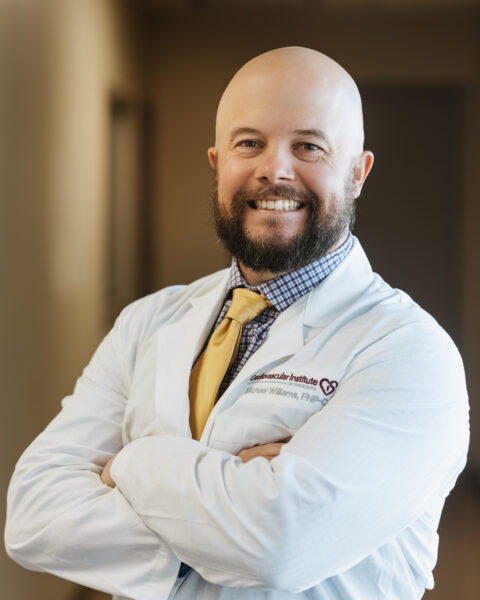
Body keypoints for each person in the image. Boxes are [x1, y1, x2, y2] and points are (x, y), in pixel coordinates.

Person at [5, 47, 469, 600]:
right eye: (249, 143)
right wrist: (227, 508)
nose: (274, 169)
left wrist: (130, 462)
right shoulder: (148, 321)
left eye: (308, 146)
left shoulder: (410, 353)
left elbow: (278, 548)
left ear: (357, 173)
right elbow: (32, 516)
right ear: (216, 162)